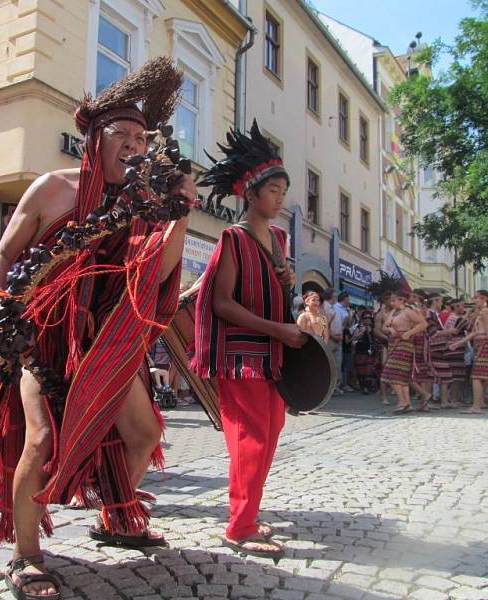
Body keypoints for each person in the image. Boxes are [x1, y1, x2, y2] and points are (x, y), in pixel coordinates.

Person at [0, 57, 190, 599]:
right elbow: (0, 257)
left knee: (143, 435)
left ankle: (113, 516)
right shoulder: (53, 188)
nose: (135, 147)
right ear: (95, 135)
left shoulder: (144, 205)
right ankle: (26, 556)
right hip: (43, 336)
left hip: (107, 343)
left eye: (143, 140)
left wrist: (182, 211)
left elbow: (160, 274)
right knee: (41, 440)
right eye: (123, 135)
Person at [193, 120, 304, 560]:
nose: (280, 198)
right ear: (251, 194)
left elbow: (272, 293)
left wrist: (288, 282)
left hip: (273, 355)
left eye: (283, 191)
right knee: (249, 440)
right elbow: (221, 303)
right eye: (273, 190)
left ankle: (250, 512)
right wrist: (278, 328)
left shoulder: (278, 239)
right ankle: (239, 527)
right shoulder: (232, 238)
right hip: (242, 357)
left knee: (270, 434)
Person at [381, 291, 427, 414]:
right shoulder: (392, 312)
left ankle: (402, 402)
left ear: (401, 300)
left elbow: (423, 324)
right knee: (400, 376)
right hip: (393, 344)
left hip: (404, 345)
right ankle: (406, 403)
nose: (391, 303)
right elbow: (383, 327)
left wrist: (409, 333)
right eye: (391, 300)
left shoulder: (408, 311)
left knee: (390, 373)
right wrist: (390, 329)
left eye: (393, 300)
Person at [352, 311, 380, 394]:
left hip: (370, 352)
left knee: (370, 370)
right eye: (365, 318)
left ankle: (369, 387)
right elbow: (354, 338)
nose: (367, 320)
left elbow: (376, 339)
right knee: (361, 371)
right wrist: (362, 332)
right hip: (360, 352)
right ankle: (363, 387)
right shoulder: (358, 327)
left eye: (369, 318)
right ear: (362, 319)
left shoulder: (374, 328)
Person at [323, 289, 344, 394]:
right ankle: (330, 388)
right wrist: (332, 336)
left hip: (337, 340)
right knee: (330, 364)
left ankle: (335, 387)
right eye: (335, 296)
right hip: (330, 340)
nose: (336, 297)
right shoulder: (324, 308)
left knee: (337, 365)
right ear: (331, 296)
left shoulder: (334, 307)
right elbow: (324, 325)